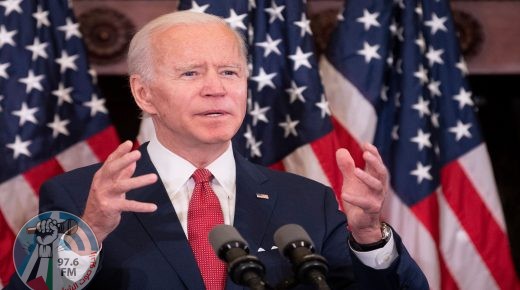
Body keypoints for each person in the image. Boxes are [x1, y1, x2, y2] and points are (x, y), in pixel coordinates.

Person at [7, 11, 428, 290]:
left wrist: (371, 236)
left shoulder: (308, 200)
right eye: (190, 73)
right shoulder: (77, 197)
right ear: (144, 93)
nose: (216, 88)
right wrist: (91, 230)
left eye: (229, 72)